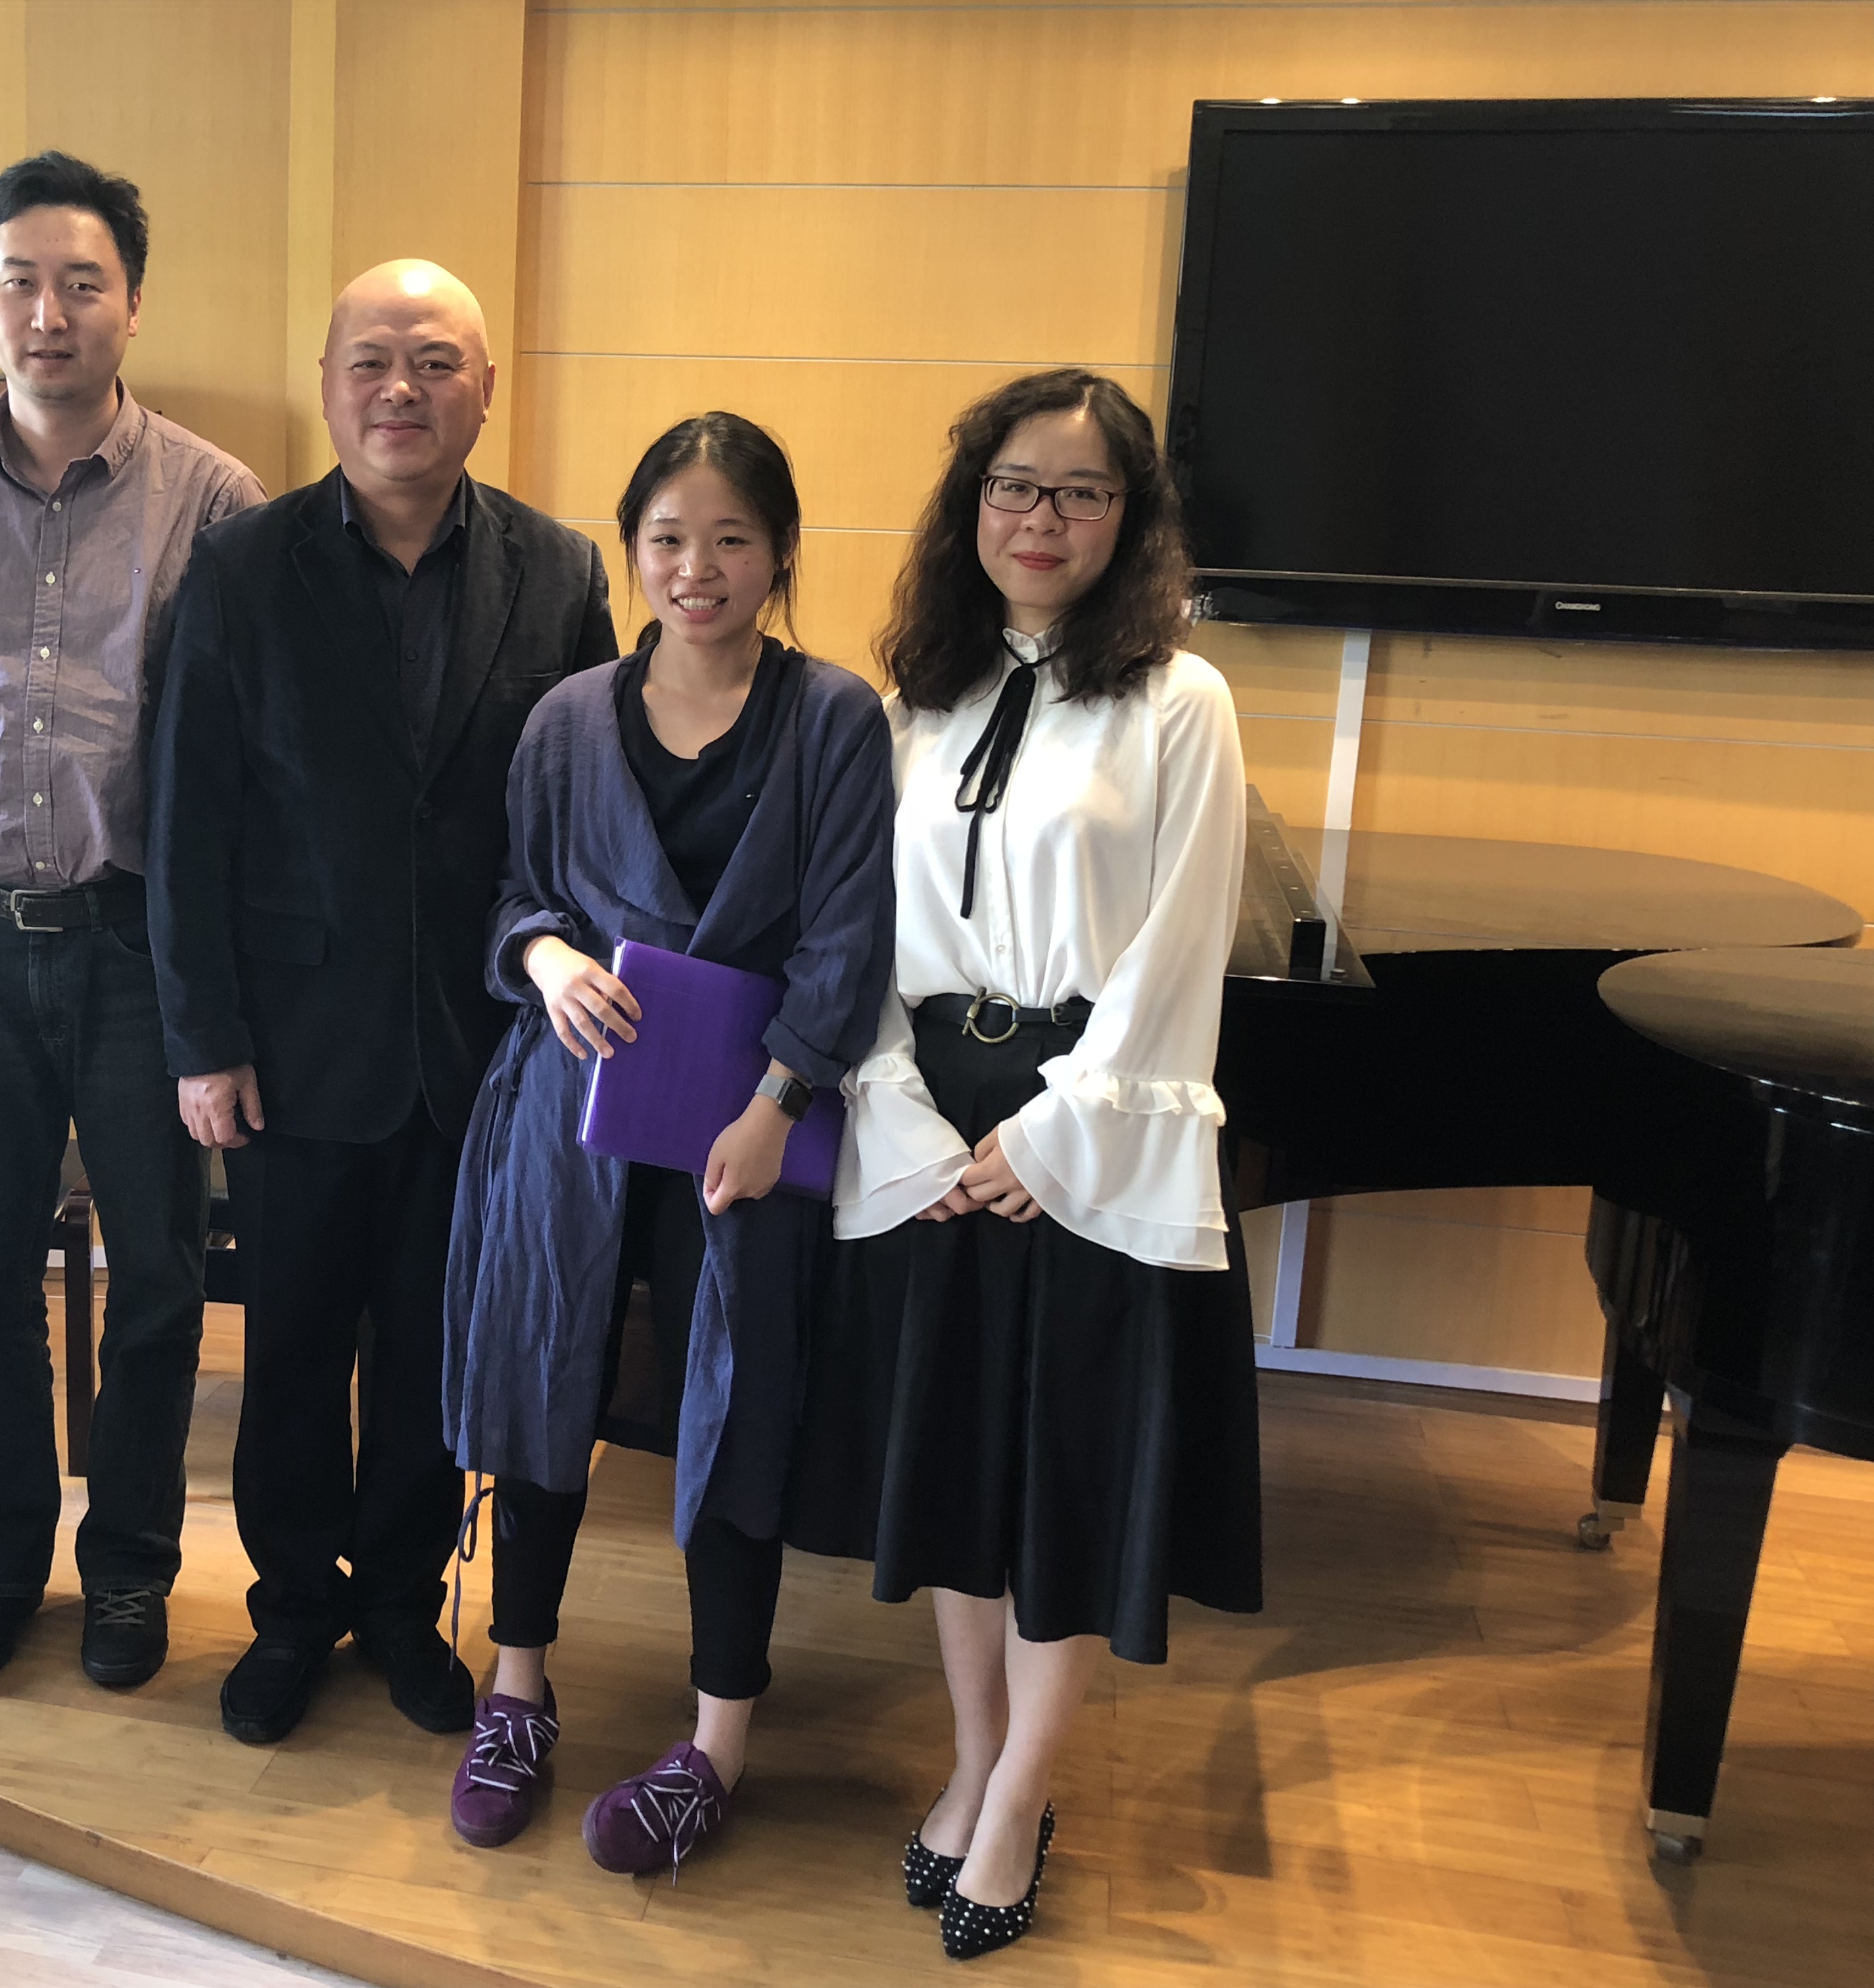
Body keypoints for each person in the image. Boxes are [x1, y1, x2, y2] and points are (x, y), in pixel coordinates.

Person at [785, 369, 1263, 1960]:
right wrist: (903, 1111)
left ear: (1130, 518)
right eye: (1013, 485)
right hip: (932, 1117)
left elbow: (1182, 943)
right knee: (955, 1472)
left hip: (1086, 1119)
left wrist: (1054, 1133)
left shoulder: (1181, 701)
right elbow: (857, 926)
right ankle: (977, 1758)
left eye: (1079, 492)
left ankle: (1022, 1790)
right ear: (970, 503)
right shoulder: (913, 696)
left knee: (1061, 1478)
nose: (1040, 518)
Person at [149, 260, 617, 1747]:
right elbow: (188, 823)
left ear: (485, 389)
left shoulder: (559, 573)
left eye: (433, 362)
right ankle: (293, 1611)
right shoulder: (242, 568)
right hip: (290, 1050)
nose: (399, 390)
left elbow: (586, 815)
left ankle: (408, 1607)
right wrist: (203, 1040)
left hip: (483, 1047)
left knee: (430, 1349)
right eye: (370, 361)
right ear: (329, 383)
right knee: (291, 1349)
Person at [438, 415, 894, 1874]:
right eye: (668, 539)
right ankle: (517, 1691)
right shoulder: (569, 718)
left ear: (781, 553)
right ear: (630, 549)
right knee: (544, 1384)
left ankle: (716, 1743)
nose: (697, 569)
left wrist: (777, 1106)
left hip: (748, 1132)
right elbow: (513, 894)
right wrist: (547, 956)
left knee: (732, 1413)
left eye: (732, 539)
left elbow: (848, 939)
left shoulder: (836, 720)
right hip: (570, 1120)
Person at [0, 153, 264, 1689]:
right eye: (20, 282)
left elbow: (229, 755)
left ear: (133, 305)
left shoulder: (215, 498)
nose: (50, 312)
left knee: (159, 1273)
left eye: (82, 283)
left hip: (136, 942)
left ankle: (131, 1574)